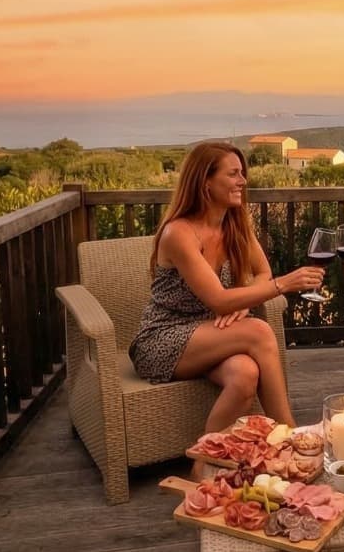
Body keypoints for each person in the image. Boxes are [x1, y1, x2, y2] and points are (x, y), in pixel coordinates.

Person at [129, 143, 324, 464]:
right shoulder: (179, 233)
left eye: (242, 173)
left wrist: (243, 304)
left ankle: (203, 465)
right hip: (162, 338)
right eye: (233, 174)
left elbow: (262, 273)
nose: (243, 181)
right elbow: (219, 299)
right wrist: (283, 286)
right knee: (259, 332)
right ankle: (290, 436)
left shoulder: (234, 223)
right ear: (205, 182)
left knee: (245, 374)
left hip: (210, 332)